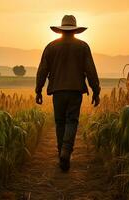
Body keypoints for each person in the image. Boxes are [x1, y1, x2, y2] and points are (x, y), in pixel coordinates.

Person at [35, 15, 101, 171]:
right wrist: (96, 91)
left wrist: (38, 90)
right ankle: (66, 151)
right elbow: (91, 71)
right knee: (72, 121)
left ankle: (61, 153)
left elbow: (42, 71)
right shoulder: (83, 46)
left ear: (61, 29)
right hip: (75, 90)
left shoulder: (50, 47)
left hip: (57, 91)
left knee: (60, 122)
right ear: (75, 30)